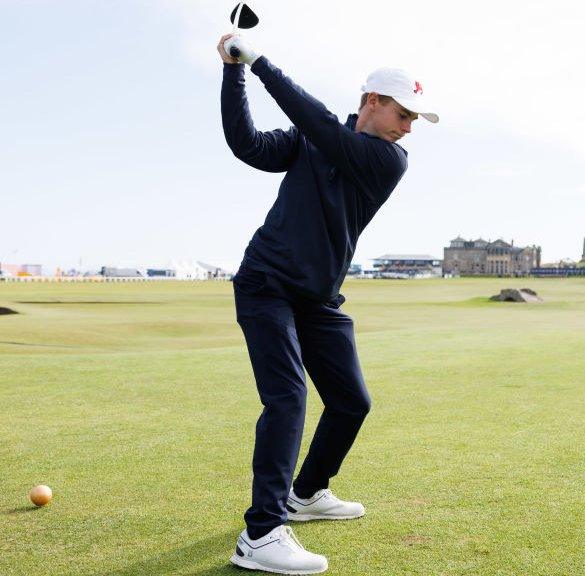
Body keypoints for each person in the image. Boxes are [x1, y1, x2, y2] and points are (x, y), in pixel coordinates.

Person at [217, 33, 438, 575]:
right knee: (288, 399)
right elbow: (247, 145)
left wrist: (260, 61)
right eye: (403, 113)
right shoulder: (317, 138)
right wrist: (234, 72)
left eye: (414, 118)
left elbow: (318, 125)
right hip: (266, 283)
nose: (409, 126)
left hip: (318, 298)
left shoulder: (388, 159)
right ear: (371, 102)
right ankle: (262, 533)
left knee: (350, 402)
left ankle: (307, 491)